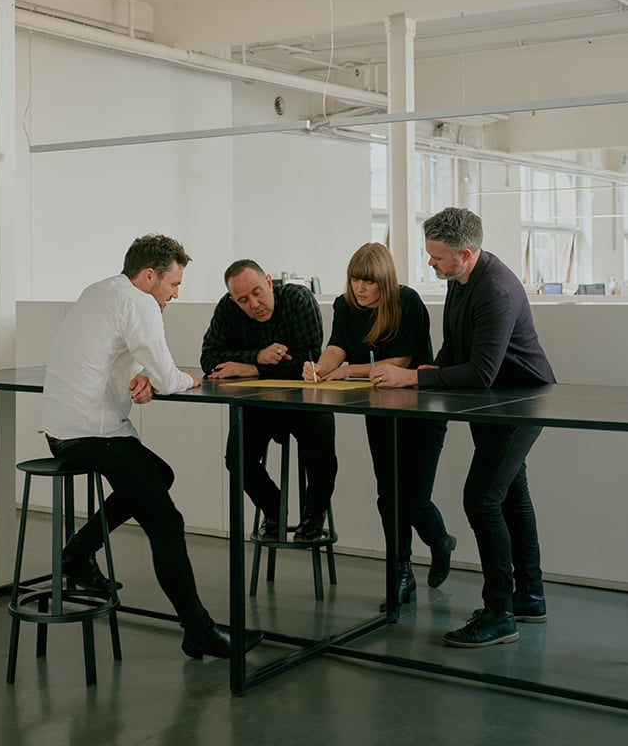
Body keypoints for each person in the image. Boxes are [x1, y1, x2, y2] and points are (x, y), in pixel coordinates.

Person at [41, 234, 263, 660]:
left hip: (61, 433)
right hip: (95, 435)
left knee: (158, 475)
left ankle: (78, 552)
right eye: (173, 284)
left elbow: (120, 352)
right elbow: (167, 376)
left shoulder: (101, 290)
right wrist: (185, 378)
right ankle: (198, 629)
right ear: (149, 276)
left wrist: (145, 372)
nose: (175, 294)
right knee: (167, 523)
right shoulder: (141, 302)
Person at [370, 208, 555, 648]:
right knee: (510, 494)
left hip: (518, 401)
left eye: (436, 258)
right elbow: (456, 346)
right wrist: (431, 370)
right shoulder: (460, 281)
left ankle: (499, 613)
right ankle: (528, 596)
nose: (430, 264)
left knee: (482, 499)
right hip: (496, 402)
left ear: (465, 254)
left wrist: (414, 376)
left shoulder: (497, 291)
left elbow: (481, 372)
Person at [302, 242, 455, 607]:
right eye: (355, 280)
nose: (360, 288)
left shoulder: (407, 302)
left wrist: (345, 372)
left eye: (368, 282)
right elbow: (337, 345)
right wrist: (320, 367)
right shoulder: (345, 305)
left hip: (421, 411)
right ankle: (401, 573)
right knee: (389, 497)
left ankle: (440, 542)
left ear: (384, 282)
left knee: (415, 501)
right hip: (381, 410)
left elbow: (398, 361)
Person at [200, 259, 337, 543]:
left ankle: (313, 516)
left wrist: (252, 367)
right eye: (243, 300)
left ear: (269, 282)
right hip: (258, 403)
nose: (254, 304)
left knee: (321, 455)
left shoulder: (298, 299)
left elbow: (309, 359)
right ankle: (274, 509)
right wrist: (258, 355)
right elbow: (209, 359)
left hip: (304, 401)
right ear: (232, 299)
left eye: (257, 292)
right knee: (237, 459)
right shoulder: (227, 309)